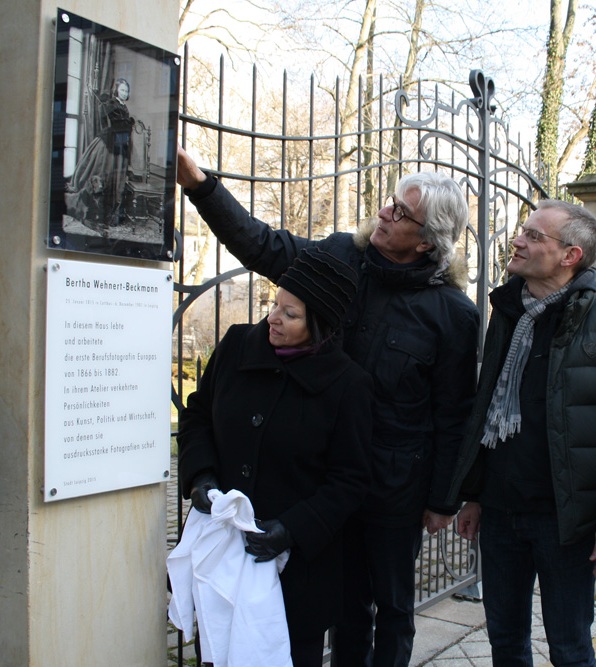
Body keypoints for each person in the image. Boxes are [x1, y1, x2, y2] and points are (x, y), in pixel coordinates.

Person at [176, 147, 479, 667]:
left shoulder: (453, 314)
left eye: (401, 214)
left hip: (391, 486)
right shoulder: (341, 256)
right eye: (390, 203)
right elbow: (263, 245)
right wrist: (201, 185)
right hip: (322, 480)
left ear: (429, 240)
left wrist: (444, 499)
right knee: (340, 605)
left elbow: (454, 412)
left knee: (390, 606)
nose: (384, 213)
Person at [446, 200, 596, 666]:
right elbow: (488, 409)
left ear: (571, 255)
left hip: (569, 521)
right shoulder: (507, 314)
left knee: (569, 646)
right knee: (504, 642)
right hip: (501, 513)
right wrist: (476, 494)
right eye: (522, 231)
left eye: (534, 236)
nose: (517, 241)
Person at [177, 247, 373, 667]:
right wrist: (201, 477)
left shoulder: (348, 385)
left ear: (320, 325)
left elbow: (350, 480)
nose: (273, 318)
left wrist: (292, 529)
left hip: (296, 573)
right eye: (274, 303)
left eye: (291, 313)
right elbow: (197, 416)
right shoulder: (235, 347)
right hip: (225, 556)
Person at [66, 77, 136, 229]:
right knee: (103, 171)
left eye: (126, 91)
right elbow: (118, 123)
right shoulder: (111, 104)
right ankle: (92, 209)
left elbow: (125, 126)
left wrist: (128, 123)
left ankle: (111, 213)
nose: (124, 93)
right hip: (109, 143)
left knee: (117, 178)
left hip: (121, 143)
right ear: (116, 90)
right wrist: (129, 122)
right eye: (122, 90)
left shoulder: (123, 107)